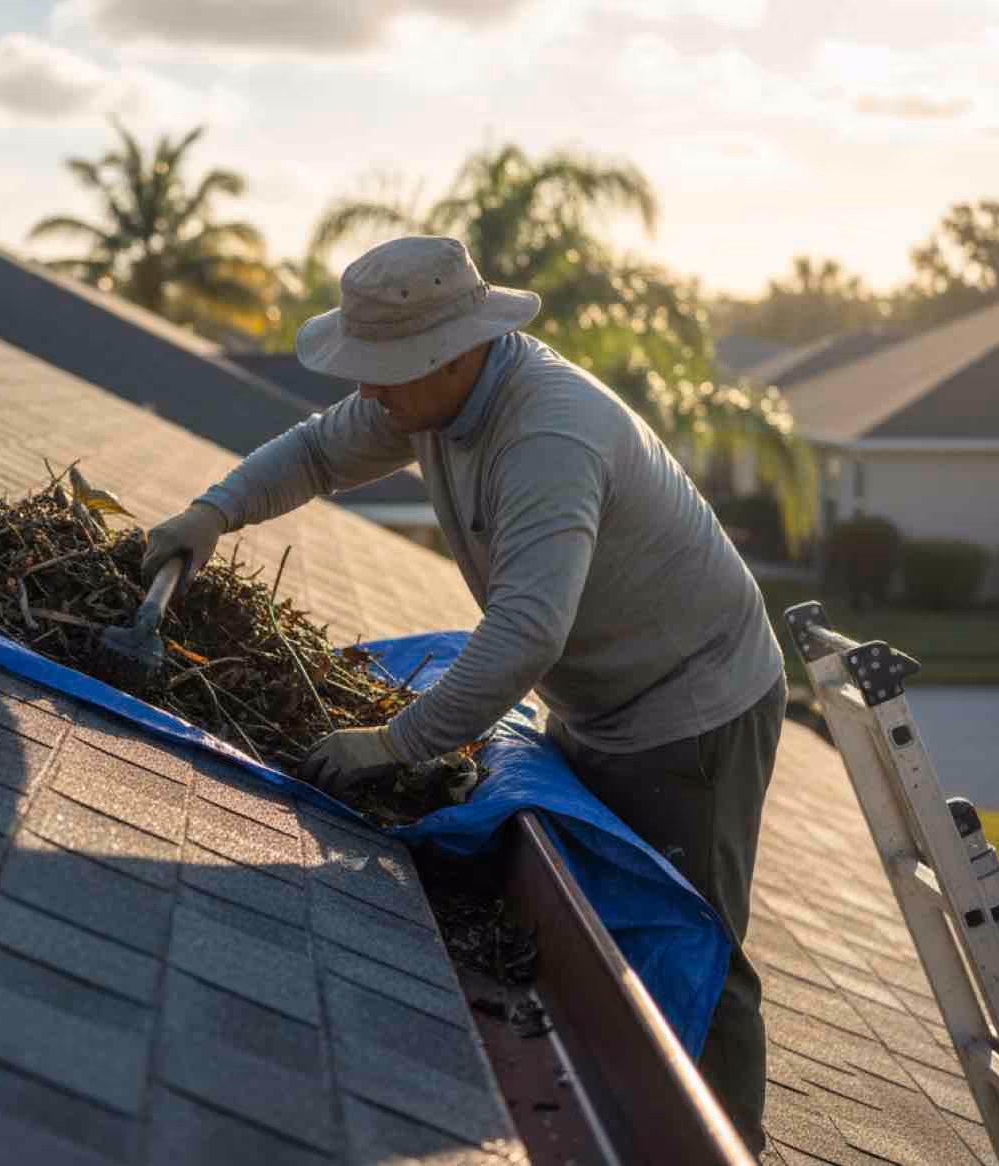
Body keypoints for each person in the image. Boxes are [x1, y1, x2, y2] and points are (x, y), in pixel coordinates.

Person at [142, 234, 786, 1153]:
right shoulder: (430, 405)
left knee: (692, 935)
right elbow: (318, 454)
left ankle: (723, 1144)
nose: (370, 391)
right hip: (604, 697)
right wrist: (212, 514)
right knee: (605, 924)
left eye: (386, 371)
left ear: (455, 352)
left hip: (694, 708)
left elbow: (526, 632)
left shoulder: (549, 436)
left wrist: (395, 743)